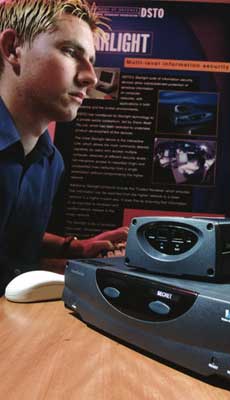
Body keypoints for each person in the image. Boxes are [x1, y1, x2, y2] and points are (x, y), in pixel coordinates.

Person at [0, 0, 128, 294]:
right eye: (71, 52)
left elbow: (12, 238)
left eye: (92, 61)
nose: (90, 77)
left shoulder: (51, 161)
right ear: (12, 48)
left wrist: (75, 248)